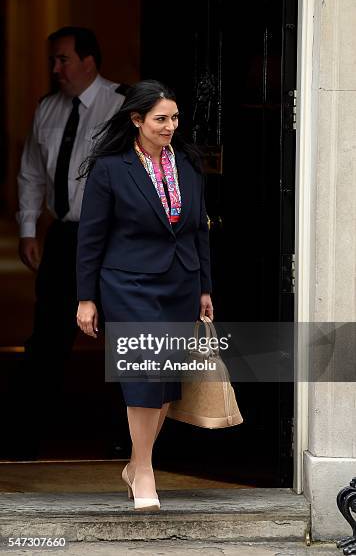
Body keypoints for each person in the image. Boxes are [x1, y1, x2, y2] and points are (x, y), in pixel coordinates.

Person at [76, 79, 214, 511]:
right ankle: (145, 470)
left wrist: (205, 287)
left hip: (181, 282)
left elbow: (197, 232)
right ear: (137, 120)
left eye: (175, 118)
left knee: (167, 383)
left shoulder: (188, 163)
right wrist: (86, 297)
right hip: (128, 284)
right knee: (143, 374)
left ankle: (137, 465)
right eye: (161, 119)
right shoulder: (111, 168)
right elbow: (91, 237)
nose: (170, 126)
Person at [16, 26, 127, 458]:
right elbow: (30, 171)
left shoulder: (123, 105)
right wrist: (28, 228)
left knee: (122, 333)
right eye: (52, 60)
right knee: (49, 334)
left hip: (113, 237)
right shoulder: (47, 108)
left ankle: (128, 435)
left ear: (89, 62)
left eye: (62, 59)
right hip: (64, 236)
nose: (55, 68)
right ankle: (34, 430)